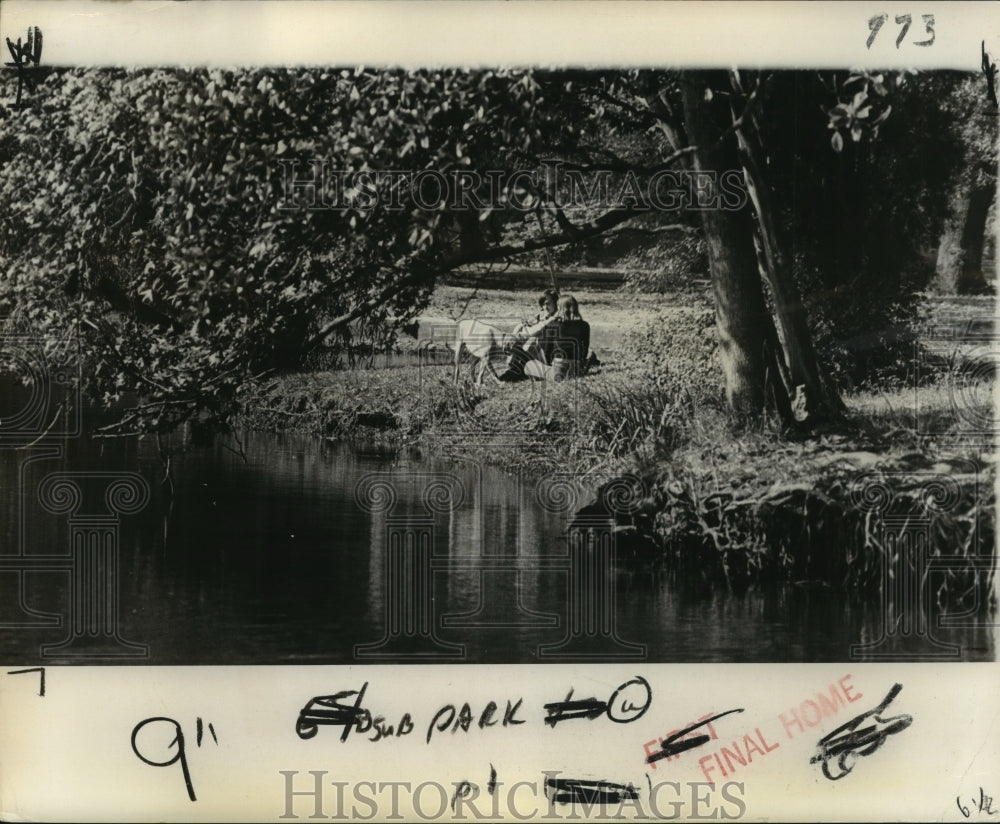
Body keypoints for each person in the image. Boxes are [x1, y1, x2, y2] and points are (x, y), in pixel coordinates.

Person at [523, 294, 590, 381]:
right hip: (577, 369)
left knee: (529, 365)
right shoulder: (584, 325)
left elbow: (547, 350)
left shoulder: (553, 325)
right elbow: (585, 348)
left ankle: (549, 374)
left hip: (559, 370)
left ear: (559, 308)